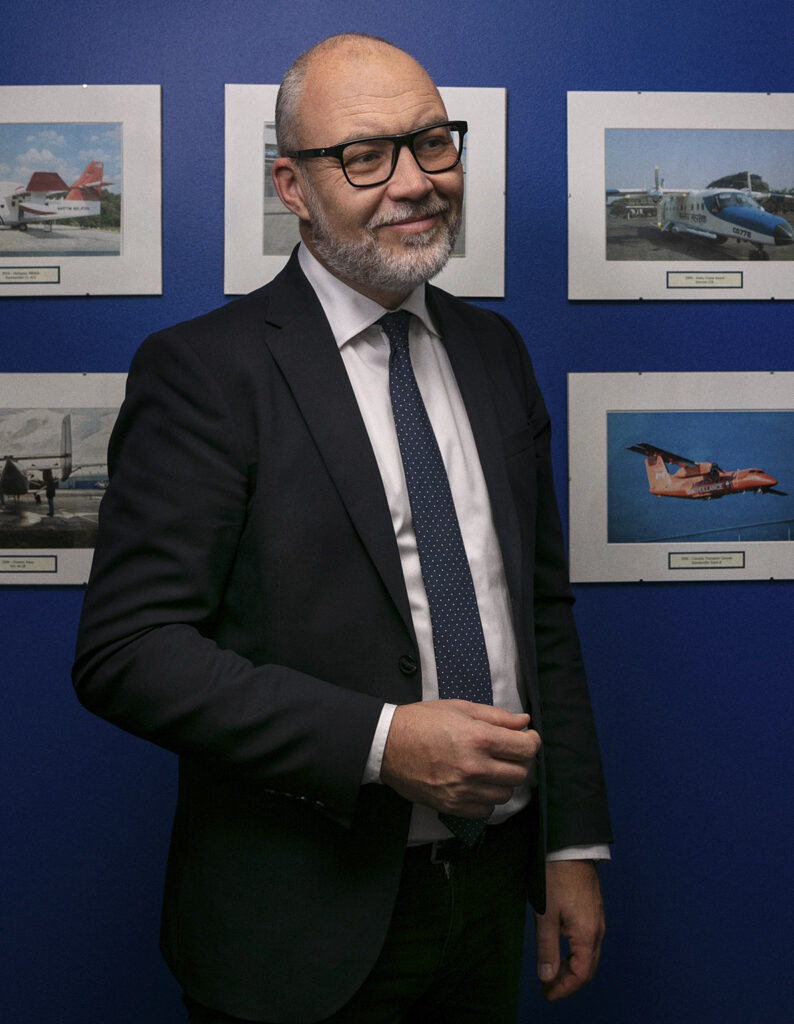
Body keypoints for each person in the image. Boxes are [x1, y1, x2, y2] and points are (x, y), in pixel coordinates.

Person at [73, 33, 611, 1024]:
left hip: (490, 897)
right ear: (293, 183)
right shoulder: (204, 373)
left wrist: (569, 849)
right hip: (294, 925)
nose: (413, 183)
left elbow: (539, 615)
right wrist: (379, 741)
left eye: (431, 144)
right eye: (365, 156)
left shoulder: (494, 352)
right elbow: (127, 651)